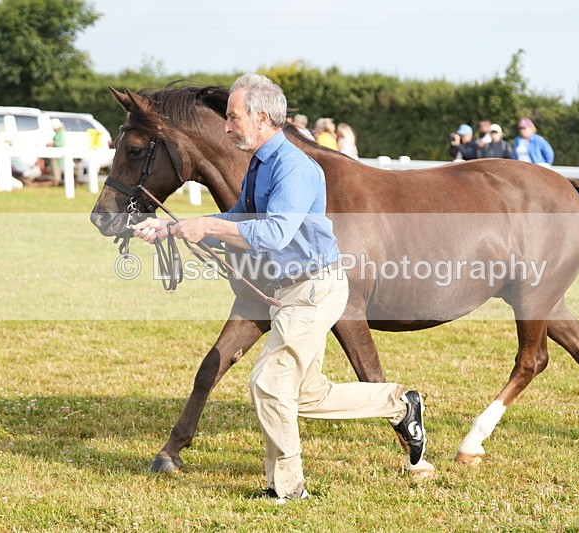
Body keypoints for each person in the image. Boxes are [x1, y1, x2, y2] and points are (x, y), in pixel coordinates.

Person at [131, 73, 432, 503]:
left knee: (269, 383)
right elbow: (239, 217)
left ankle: (287, 489)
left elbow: (274, 233)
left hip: (313, 290)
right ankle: (401, 404)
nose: (227, 126)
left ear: (261, 117)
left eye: (233, 117)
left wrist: (205, 225)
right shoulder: (259, 164)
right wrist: (174, 227)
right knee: (309, 393)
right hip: (290, 291)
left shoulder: (293, 167)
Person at [48, 118, 66, 185]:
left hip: (60, 154)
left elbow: (59, 143)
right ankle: (57, 179)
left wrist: (52, 143)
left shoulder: (61, 133)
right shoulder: (60, 132)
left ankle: (57, 180)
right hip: (59, 153)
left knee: (56, 166)